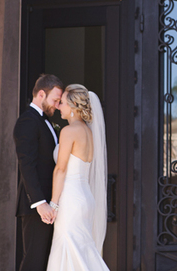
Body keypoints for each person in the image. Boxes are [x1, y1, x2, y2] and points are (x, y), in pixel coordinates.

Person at [46, 84, 109, 271]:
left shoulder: (69, 132)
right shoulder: (88, 133)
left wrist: (53, 205)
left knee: (68, 248)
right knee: (81, 250)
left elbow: (61, 170)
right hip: (85, 198)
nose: (59, 107)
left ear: (74, 107)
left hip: (70, 200)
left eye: (62, 103)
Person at [14, 74, 64, 271]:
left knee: (44, 263)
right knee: (34, 262)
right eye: (55, 100)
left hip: (49, 205)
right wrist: (40, 203)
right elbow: (26, 164)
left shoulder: (46, 121)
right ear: (41, 94)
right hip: (37, 206)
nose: (57, 105)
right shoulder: (28, 121)